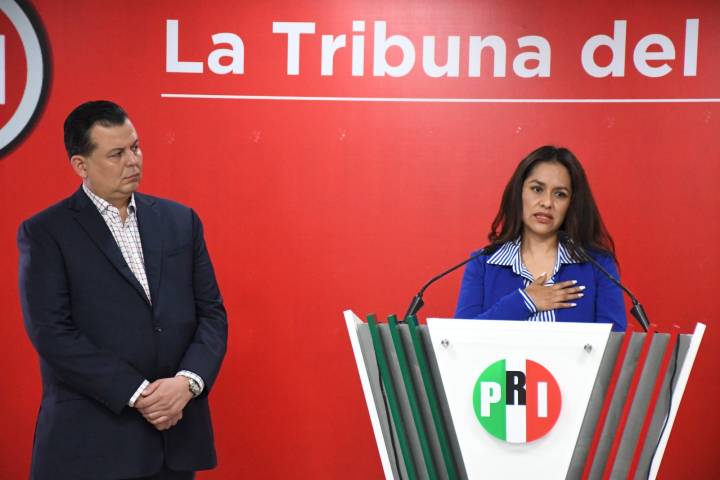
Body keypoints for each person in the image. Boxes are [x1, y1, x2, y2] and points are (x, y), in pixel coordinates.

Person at [17, 100, 228, 480]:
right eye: (116, 154)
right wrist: (139, 393)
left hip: (174, 440)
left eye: (135, 147)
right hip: (91, 446)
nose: (133, 161)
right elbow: (52, 333)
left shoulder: (181, 221)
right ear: (81, 165)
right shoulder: (46, 232)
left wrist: (187, 383)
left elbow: (211, 314)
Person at [454, 145, 627, 332]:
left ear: (571, 204)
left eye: (560, 194)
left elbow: (613, 341)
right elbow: (461, 337)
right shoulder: (483, 263)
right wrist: (525, 301)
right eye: (537, 189)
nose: (547, 203)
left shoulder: (598, 266)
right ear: (519, 192)